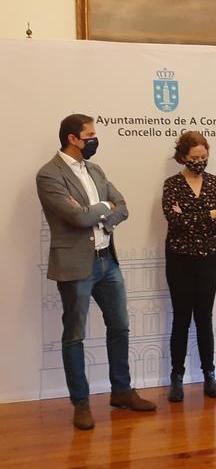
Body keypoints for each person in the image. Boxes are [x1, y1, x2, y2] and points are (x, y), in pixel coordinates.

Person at [36, 114, 157, 430]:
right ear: (73, 139)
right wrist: (104, 209)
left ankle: (121, 392)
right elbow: (76, 218)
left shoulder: (95, 170)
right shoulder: (49, 175)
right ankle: (81, 404)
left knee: (120, 326)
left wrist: (101, 212)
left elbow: (123, 205)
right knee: (74, 335)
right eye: (90, 134)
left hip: (108, 261)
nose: (94, 139)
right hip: (76, 266)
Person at [162, 131, 216, 402]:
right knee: (181, 318)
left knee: (204, 317)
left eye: (204, 157)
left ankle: (209, 376)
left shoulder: (215, 183)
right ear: (183, 156)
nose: (200, 161)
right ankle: (176, 378)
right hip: (179, 259)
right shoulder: (171, 184)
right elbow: (173, 219)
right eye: (194, 157)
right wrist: (208, 215)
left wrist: (191, 216)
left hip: (208, 258)